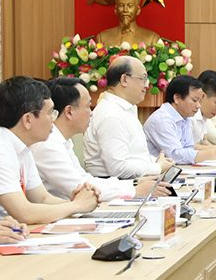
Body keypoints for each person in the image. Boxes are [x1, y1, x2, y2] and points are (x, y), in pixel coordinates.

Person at [33, 77, 170, 201]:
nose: (91, 113)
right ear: (69, 112)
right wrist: (134, 190)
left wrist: (134, 184)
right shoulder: (47, 145)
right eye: (88, 106)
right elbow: (81, 189)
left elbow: (85, 179)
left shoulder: (62, 141)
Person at [0, 76, 98, 223]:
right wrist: (76, 205)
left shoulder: (23, 147)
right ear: (28, 120)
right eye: (50, 113)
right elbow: (24, 212)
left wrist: (80, 204)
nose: (54, 119)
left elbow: (42, 198)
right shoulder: (3, 148)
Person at [84, 56, 173, 179]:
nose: (146, 85)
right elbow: (118, 168)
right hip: (116, 185)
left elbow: (134, 156)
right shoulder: (111, 114)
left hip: (132, 181)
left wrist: (156, 161)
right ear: (124, 79)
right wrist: (157, 167)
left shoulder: (125, 109)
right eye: (143, 79)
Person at [144, 75, 216, 164]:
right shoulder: (162, 119)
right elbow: (175, 155)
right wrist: (213, 153)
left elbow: (189, 148)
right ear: (177, 98)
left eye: (199, 101)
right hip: (155, 172)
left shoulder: (185, 117)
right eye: (195, 100)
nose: (198, 105)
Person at [95, 0, 161, 48]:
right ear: (115, 10)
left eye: (130, 6)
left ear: (138, 10)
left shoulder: (152, 38)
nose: (125, 10)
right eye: (121, 5)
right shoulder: (102, 38)